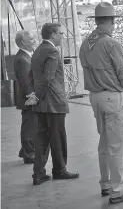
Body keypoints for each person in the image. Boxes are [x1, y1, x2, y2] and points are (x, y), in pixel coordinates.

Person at [79, 2, 123, 204]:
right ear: (111, 21)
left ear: (96, 21)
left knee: (104, 142)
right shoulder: (111, 43)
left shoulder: (86, 43)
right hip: (112, 97)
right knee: (118, 145)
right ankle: (119, 189)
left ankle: (105, 184)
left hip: (94, 97)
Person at [25, 23, 79, 185]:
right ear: (53, 35)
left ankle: (39, 173)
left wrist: (34, 95)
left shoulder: (37, 51)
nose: (63, 36)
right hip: (54, 103)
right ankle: (60, 170)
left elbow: (30, 76)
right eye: (61, 33)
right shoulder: (53, 51)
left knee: (42, 138)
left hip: (41, 105)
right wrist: (37, 96)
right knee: (58, 137)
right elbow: (48, 78)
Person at [14, 30, 37, 164]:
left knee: (30, 124)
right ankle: (29, 154)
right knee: (30, 125)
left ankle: (26, 150)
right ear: (23, 42)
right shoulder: (22, 59)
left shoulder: (25, 56)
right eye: (32, 39)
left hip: (28, 97)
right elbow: (26, 81)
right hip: (29, 98)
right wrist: (32, 96)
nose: (34, 41)